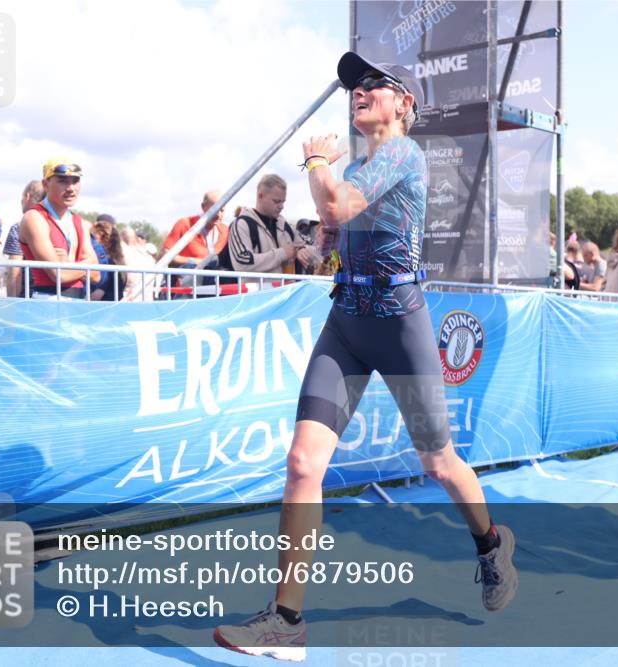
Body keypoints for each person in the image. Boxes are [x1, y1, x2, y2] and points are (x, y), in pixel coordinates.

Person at [214, 52, 517, 662]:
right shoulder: (358, 166)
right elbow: (335, 220)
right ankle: (286, 621)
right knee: (303, 463)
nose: (359, 91)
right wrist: (328, 242)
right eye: (354, 86)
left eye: (374, 84)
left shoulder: (403, 154)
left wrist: (316, 164)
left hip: (399, 325)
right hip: (347, 323)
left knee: (438, 463)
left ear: (404, 104)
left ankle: (490, 543)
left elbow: (333, 204)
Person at [17, 159, 99, 299]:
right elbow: (59, 275)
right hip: (45, 301)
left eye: (75, 181)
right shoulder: (34, 218)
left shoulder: (79, 221)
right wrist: (87, 265)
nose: (71, 188)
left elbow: (96, 276)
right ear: (45, 184)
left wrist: (68, 264)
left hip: (77, 302)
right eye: (63, 181)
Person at [222, 174, 308, 274]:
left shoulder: (285, 226)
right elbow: (242, 263)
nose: (281, 206)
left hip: (287, 284)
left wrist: (303, 251)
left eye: (283, 202)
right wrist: (282, 253)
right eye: (276, 201)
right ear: (260, 196)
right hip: (257, 285)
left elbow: (306, 248)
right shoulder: (242, 224)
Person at [162, 190, 229, 269]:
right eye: (215, 209)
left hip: (215, 276)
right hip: (187, 275)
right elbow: (164, 255)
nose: (219, 215)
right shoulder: (185, 224)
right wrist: (194, 261)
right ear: (203, 207)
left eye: (222, 210)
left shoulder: (225, 230)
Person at [4, 180, 45, 297]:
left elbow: (15, 272)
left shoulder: (19, 227)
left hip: (27, 297)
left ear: (27, 196)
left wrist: (12, 302)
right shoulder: (55, 225)